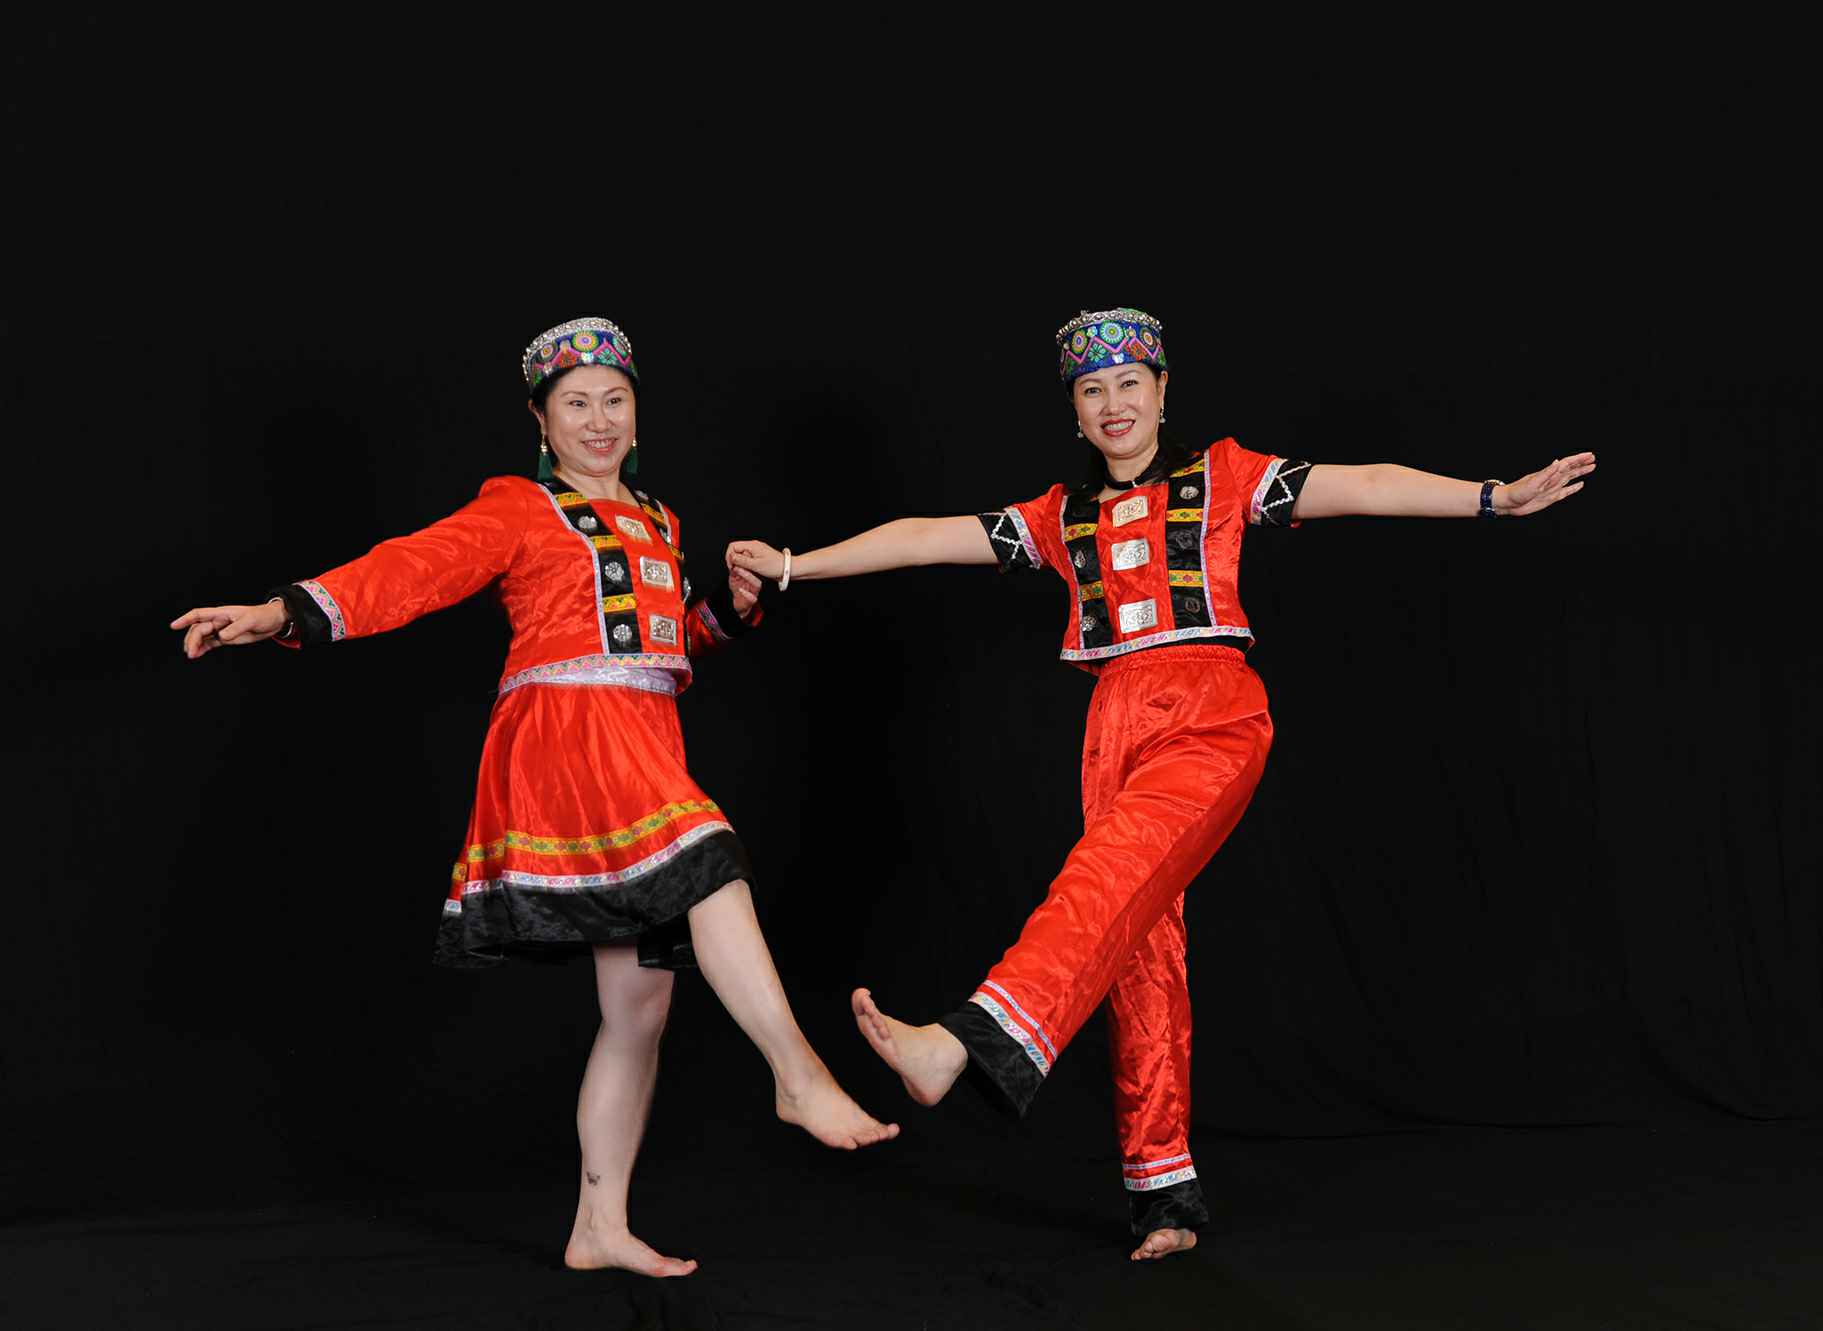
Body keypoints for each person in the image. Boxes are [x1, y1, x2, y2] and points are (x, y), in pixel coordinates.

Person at [725, 306, 1594, 1261]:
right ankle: (1163, 1194)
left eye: (1130, 383)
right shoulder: (1060, 516)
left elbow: (1364, 483)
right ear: (1074, 411)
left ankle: (969, 1038)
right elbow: (927, 536)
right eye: (1093, 389)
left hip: (1212, 707)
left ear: (1164, 389)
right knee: (1139, 944)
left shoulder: (1224, 476)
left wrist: (1491, 497)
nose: (1114, 404)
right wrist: (796, 566)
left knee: (1103, 881)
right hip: (1114, 724)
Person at [171, 316, 896, 1279]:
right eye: (575, 404)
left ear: (637, 410)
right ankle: (797, 1074)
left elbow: (667, 644)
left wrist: (729, 607)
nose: (598, 420)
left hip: (644, 737)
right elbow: (414, 566)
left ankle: (599, 1223)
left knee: (640, 1007)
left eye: (614, 399)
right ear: (541, 422)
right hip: (565, 736)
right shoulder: (520, 506)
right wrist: (283, 611)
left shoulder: (661, 518)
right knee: (709, 859)